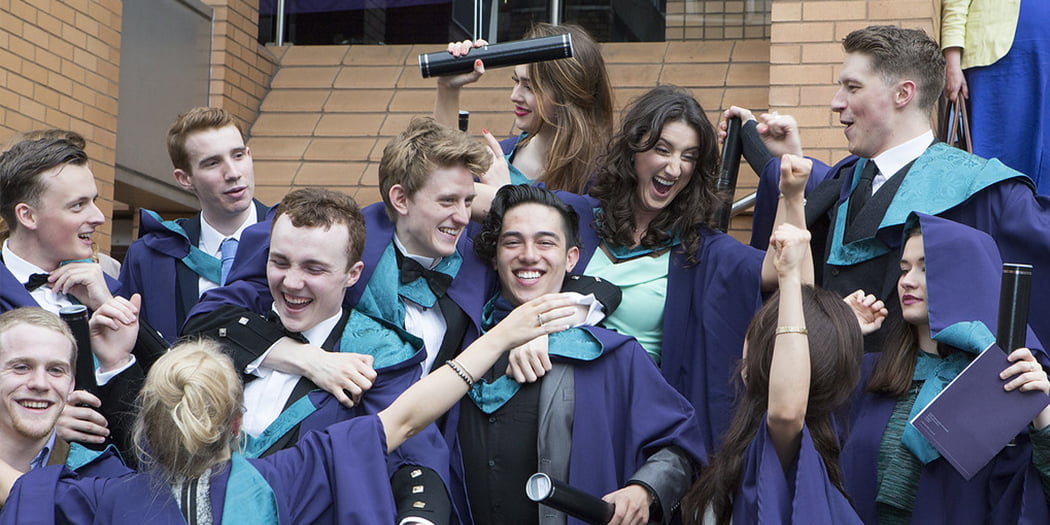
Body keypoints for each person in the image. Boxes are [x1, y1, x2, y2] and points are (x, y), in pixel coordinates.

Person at [0, 292, 579, 523]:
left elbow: (13, 486)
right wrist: (500, 335)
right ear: (236, 422)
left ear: (147, 425)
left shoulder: (102, 500)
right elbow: (407, 415)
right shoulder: (282, 478)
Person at [735, 25, 1050, 350]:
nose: (835, 102)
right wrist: (755, 138)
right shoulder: (844, 179)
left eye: (852, 87)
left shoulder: (983, 191)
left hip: (920, 396)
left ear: (903, 94)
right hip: (828, 389)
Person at [183, 187, 454, 524]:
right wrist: (308, 358)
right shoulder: (231, 327)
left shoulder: (378, 351)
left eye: (314, 269)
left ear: (352, 274)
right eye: (280, 262)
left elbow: (416, 458)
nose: (292, 283)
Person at [186, 117, 493, 407]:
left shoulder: (477, 264)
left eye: (468, 201)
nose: (464, 217)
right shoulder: (330, 238)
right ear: (400, 199)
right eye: (447, 201)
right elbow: (212, 319)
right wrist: (309, 359)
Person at [452, 184, 706, 525]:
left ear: (571, 258)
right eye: (512, 242)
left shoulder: (614, 357)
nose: (529, 255)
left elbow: (680, 448)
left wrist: (644, 490)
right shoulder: (462, 345)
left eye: (545, 242)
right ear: (495, 257)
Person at [554, 85, 766, 448]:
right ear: (634, 150)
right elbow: (471, 204)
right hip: (554, 409)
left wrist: (770, 157)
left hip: (631, 426)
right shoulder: (575, 215)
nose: (674, 167)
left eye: (689, 156)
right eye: (662, 149)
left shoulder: (702, 249)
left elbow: (790, 269)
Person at [839, 212, 1050, 523]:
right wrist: (839, 335)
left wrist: (1041, 416)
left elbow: (1031, 497)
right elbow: (798, 434)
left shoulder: (1004, 382)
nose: (908, 280)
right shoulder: (869, 373)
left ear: (966, 276)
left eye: (927, 268)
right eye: (904, 268)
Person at [681, 224, 865, 524]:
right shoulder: (807, 438)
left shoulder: (785, 447)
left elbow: (788, 409)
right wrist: (793, 197)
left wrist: (789, 276)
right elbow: (806, 310)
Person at [0, 132, 162, 460]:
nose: (99, 217)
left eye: (95, 200)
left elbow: (170, 387)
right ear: (27, 215)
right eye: (78, 205)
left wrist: (107, 303)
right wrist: (40, 421)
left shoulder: (108, 290)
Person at [119, 107, 271, 344]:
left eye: (238, 155)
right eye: (212, 163)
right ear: (184, 178)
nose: (233, 173)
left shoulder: (293, 240)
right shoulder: (152, 256)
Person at [434, 23, 614, 197]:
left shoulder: (605, 174)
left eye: (530, 87)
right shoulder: (498, 160)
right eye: (516, 81)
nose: (514, 95)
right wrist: (447, 88)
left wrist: (502, 196)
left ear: (568, 93)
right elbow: (440, 188)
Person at [0, 308, 132, 507]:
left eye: (56, 370)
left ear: (71, 384)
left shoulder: (107, 480)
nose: (40, 383)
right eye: (21, 367)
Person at [942, 0, 1049, 194]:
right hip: (998, 55)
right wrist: (952, 62)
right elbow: (955, 4)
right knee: (998, 154)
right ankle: (994, 219)